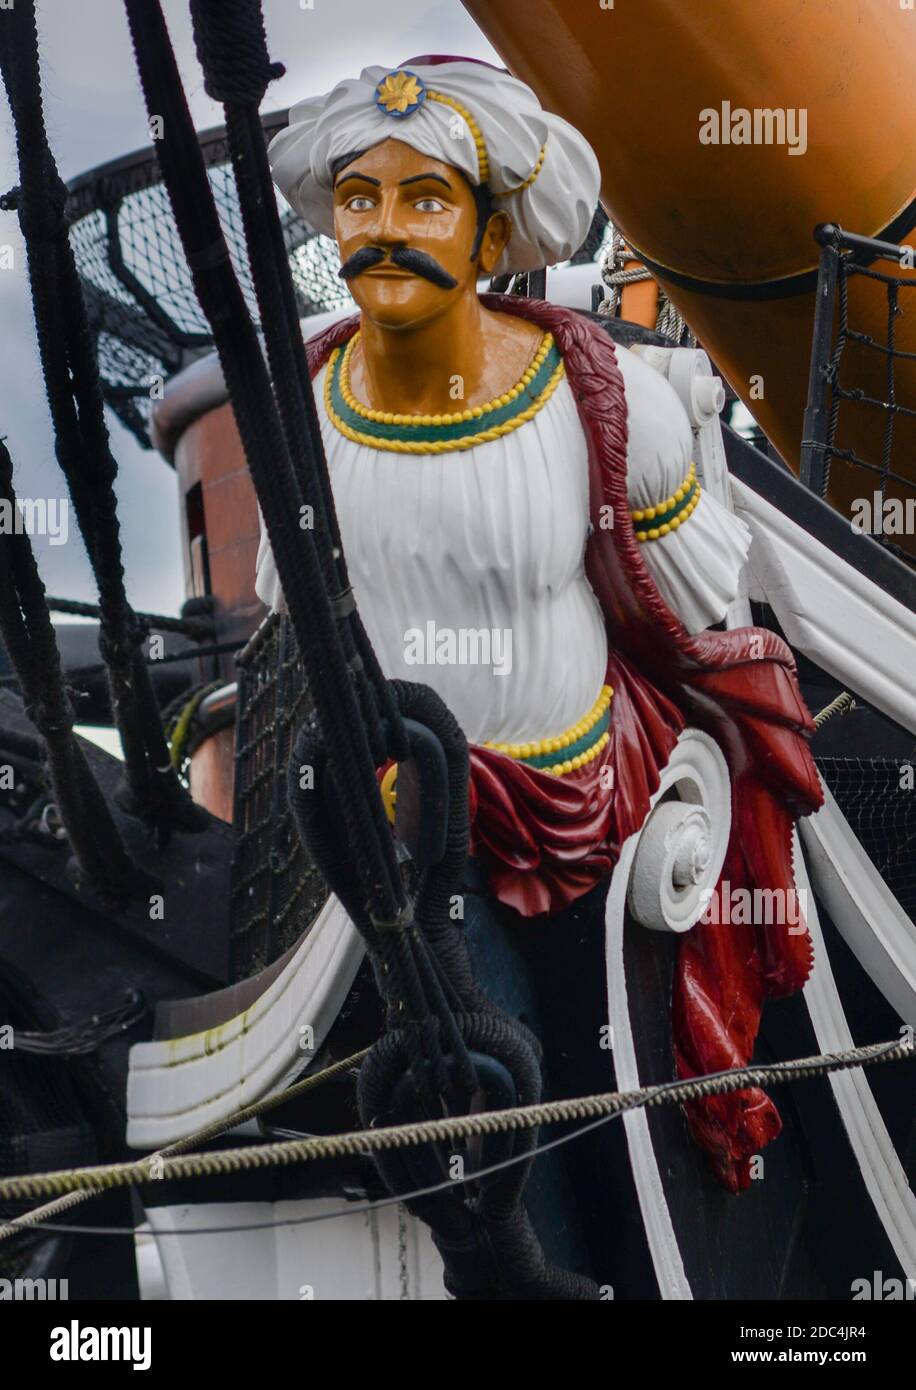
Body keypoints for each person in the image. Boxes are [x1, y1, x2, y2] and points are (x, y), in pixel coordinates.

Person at [257, 56, 822, 1191]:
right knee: (479, 1126)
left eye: (424, 199)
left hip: (604, 818)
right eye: (360, 199)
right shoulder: (302, 422)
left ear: (489, 231)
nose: (383, 229)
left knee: (619, 1116)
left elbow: (703, 612)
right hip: (417, 826)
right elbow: (299, 610)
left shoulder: (606, 403)